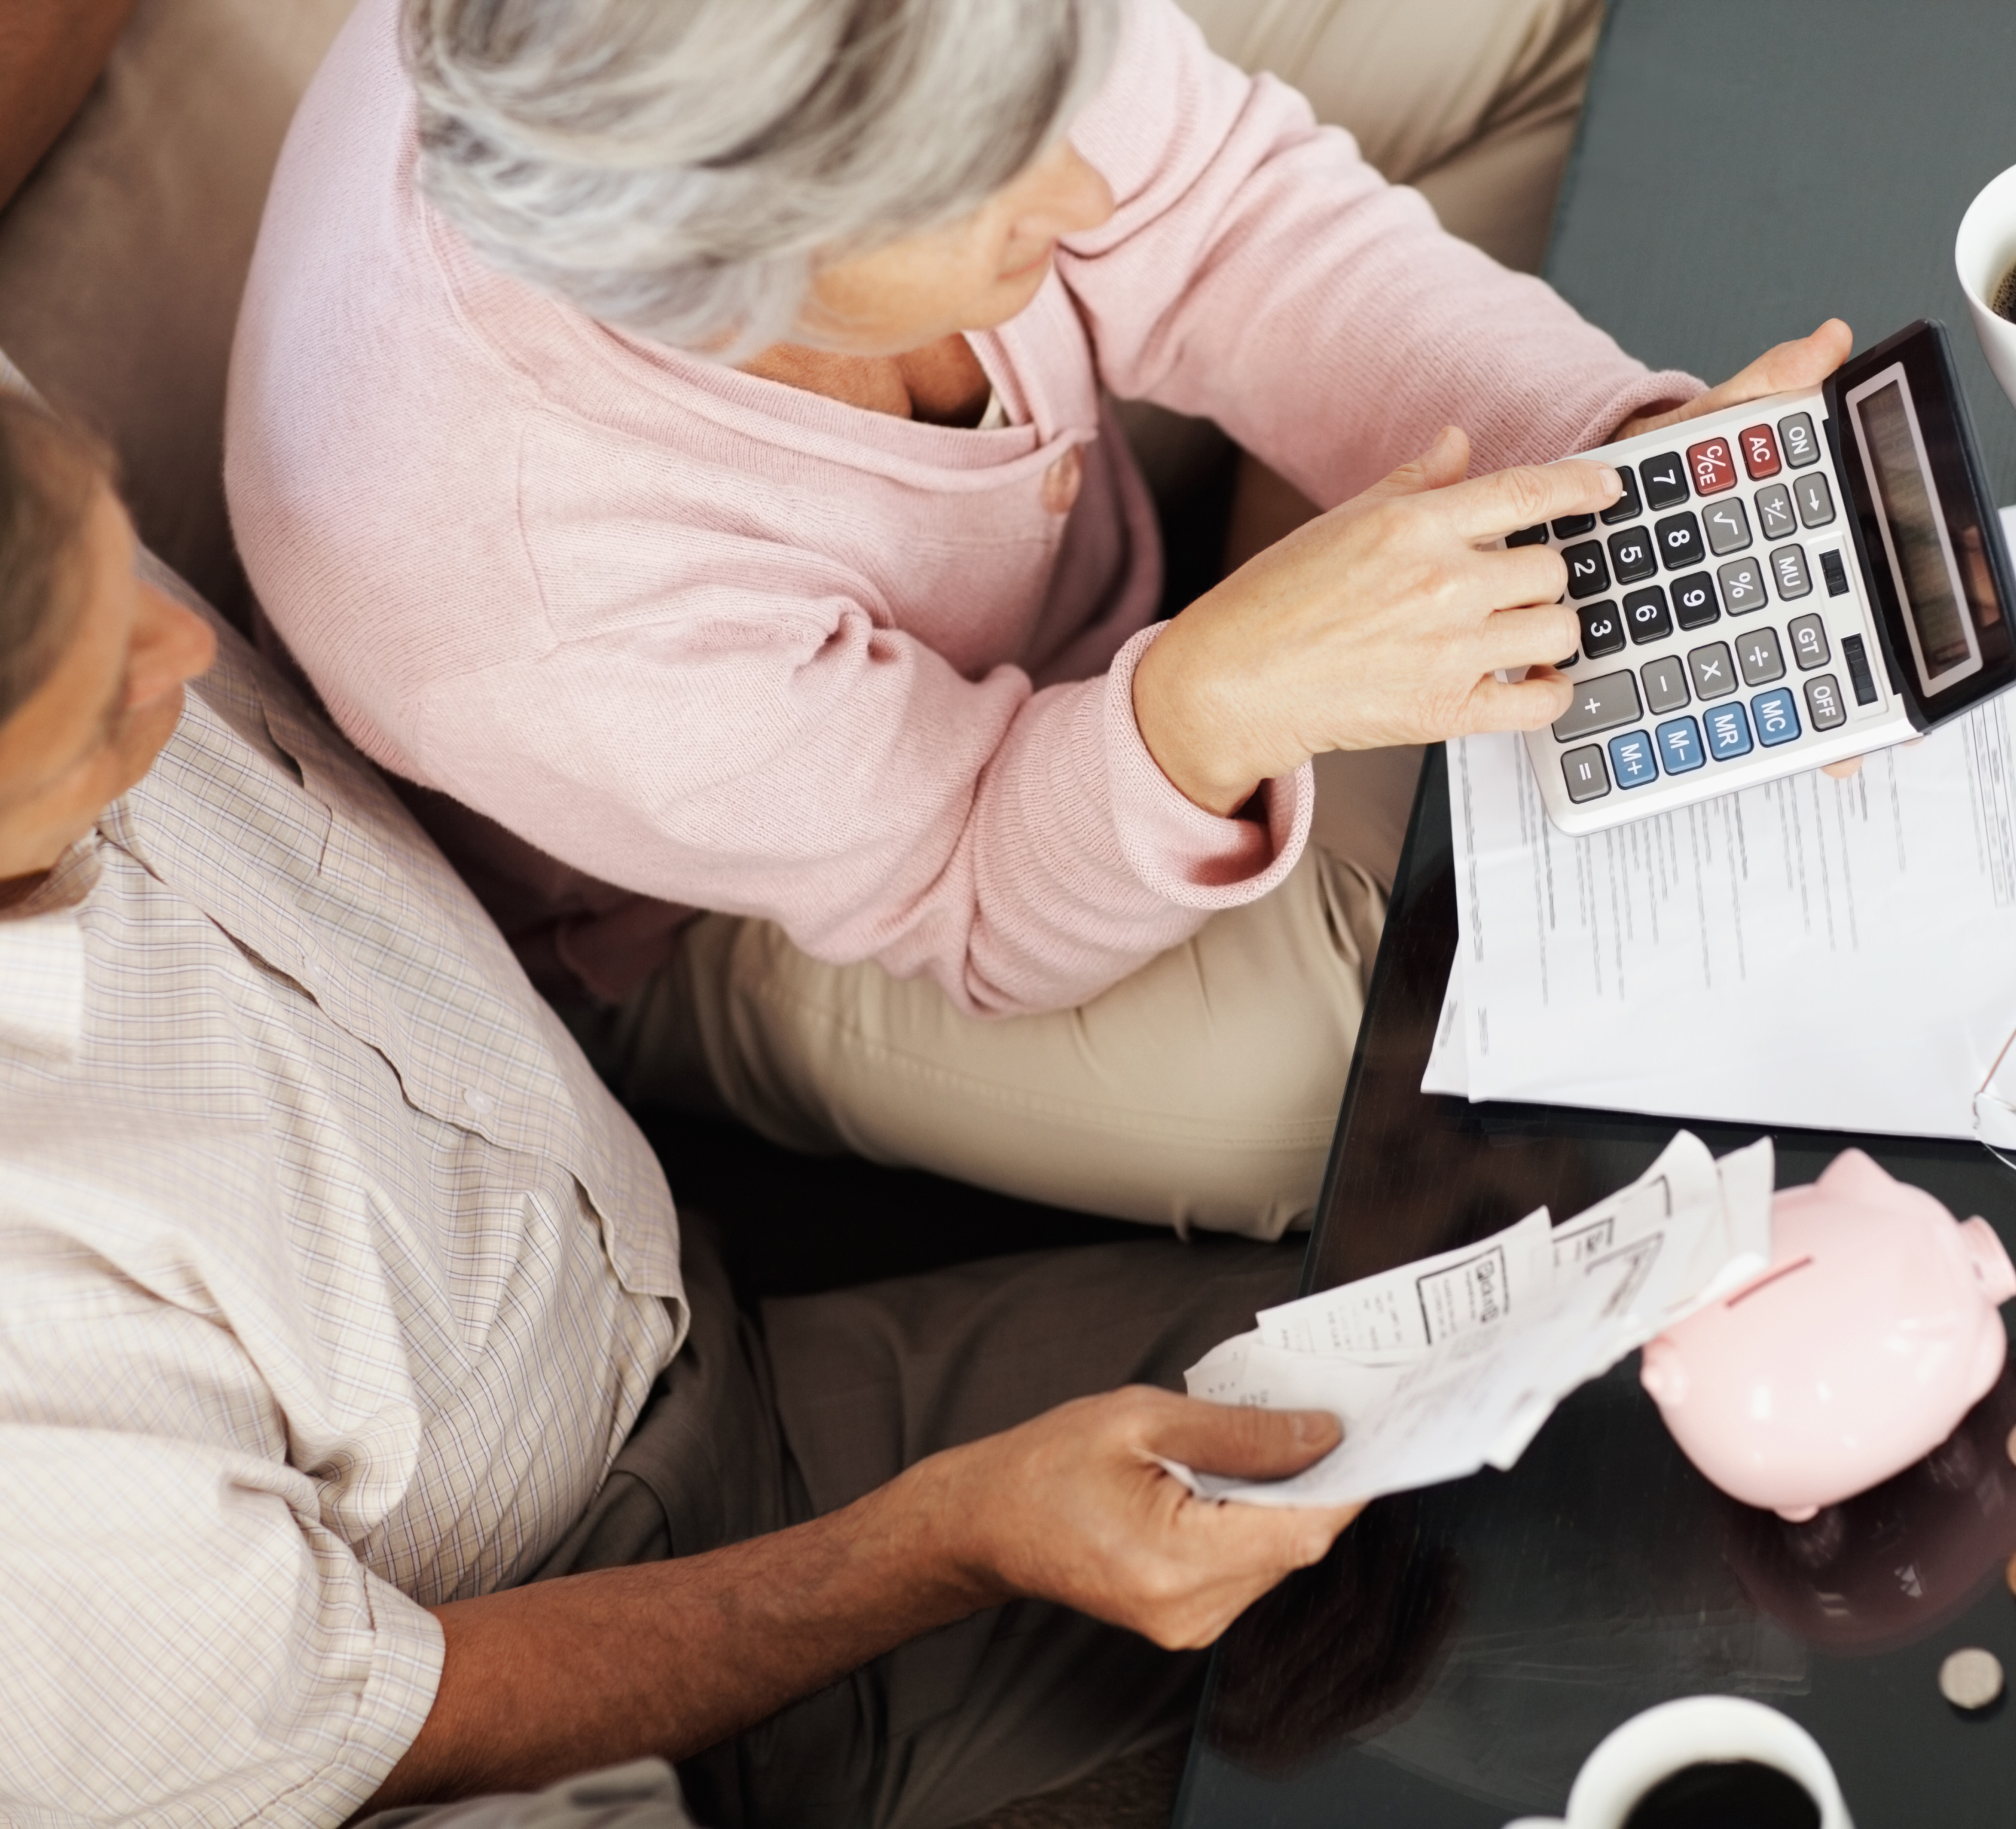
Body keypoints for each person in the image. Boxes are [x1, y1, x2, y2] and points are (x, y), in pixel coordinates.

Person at [228, 0, 1849, 1238]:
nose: (1080, 178)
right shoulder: (520, 591)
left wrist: (1606, 449)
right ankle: (1289, 563)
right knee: (1327, 1094)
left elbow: (1224, 211)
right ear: (736, 272)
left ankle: (1308, 528)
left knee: (1540, 38)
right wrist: (1215, 703)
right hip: (785, 872)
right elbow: (972, 878)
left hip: (1036, 533)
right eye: (998, 177)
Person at [0, 376, 1359, 1826]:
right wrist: (952, 1543)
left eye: (123, 553)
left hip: (709, 1336)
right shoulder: (34, 1375)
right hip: (586, 1702)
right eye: (102, 710)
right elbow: (380, 1724)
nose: (190, 643)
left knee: (1452, 1411)